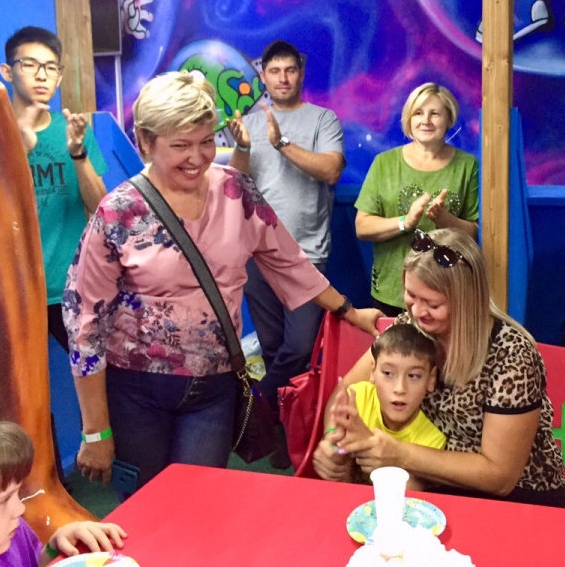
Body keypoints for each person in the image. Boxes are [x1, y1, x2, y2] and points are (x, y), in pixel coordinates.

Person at [64, 72, 381, 490]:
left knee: (201, 500)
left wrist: (348, 309)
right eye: (181, 145)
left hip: (214, 387)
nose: (197, 158)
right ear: (145, 141)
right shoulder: (119, 211)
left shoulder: (235, 191)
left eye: (206, 141)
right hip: (136, 390)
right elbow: (84, 321)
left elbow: (288, 260)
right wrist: (95, 430)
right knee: (147, 504)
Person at [314, 229, 565, 507]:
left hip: (516, 498)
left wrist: (399, 454)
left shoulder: (512, 355)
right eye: (411, 295)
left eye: (432, 303)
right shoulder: (409, 326)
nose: (417, 311)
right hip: (431, 482)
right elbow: (345, 391)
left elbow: (500, 477)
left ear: (467, 301)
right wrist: (333, 441)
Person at [228, 39, 346, 407]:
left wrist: (281, 143)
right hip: (258, 254)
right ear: (263, 76)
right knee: (271, 346)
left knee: (299, 347)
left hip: (306, 253)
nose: (283, 78)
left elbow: (331, 170)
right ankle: (281, 427)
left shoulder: (323, 119)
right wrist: (243, 147)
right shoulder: (248, 123)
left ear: (301, 74)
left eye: (290, 70)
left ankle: (255, 402)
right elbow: (235, 184)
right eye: (275, 71)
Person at [0, 26, 108, 352]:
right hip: (12, 291)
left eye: (50, 67)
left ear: (59, 77)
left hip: (70, 288)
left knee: (95, 371)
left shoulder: (72, 131)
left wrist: (77, 152)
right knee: (17, 382)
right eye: (30, 65)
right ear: (7, 71)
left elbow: (101, 206)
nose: (41, 75)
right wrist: (19, 150)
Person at [0, 413, 126, 567]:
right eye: (3, 500)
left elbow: (30, 562)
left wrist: (54, 548)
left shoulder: (12, 533)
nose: (20, 509)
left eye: (16, 493)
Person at [355, 84, 479, 316]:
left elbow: (473, 233)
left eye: (435, 113)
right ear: (409, 119)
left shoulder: (468, 166)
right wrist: (406, 222)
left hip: (446, 293)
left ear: (449, 119)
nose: (426, 121)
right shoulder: (384, 163)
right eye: (418, 113)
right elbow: (362, 227)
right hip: (392, 291)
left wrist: (444, 219)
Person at [332, 321, 446, 488]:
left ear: (431, 379)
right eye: (388, 373)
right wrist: (332, 452)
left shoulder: (432, 439)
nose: (399, 389)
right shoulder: (356, 399)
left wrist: (366, 443)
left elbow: (409, 492)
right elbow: (333, 448)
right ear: (373, 372)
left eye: (413, 376)